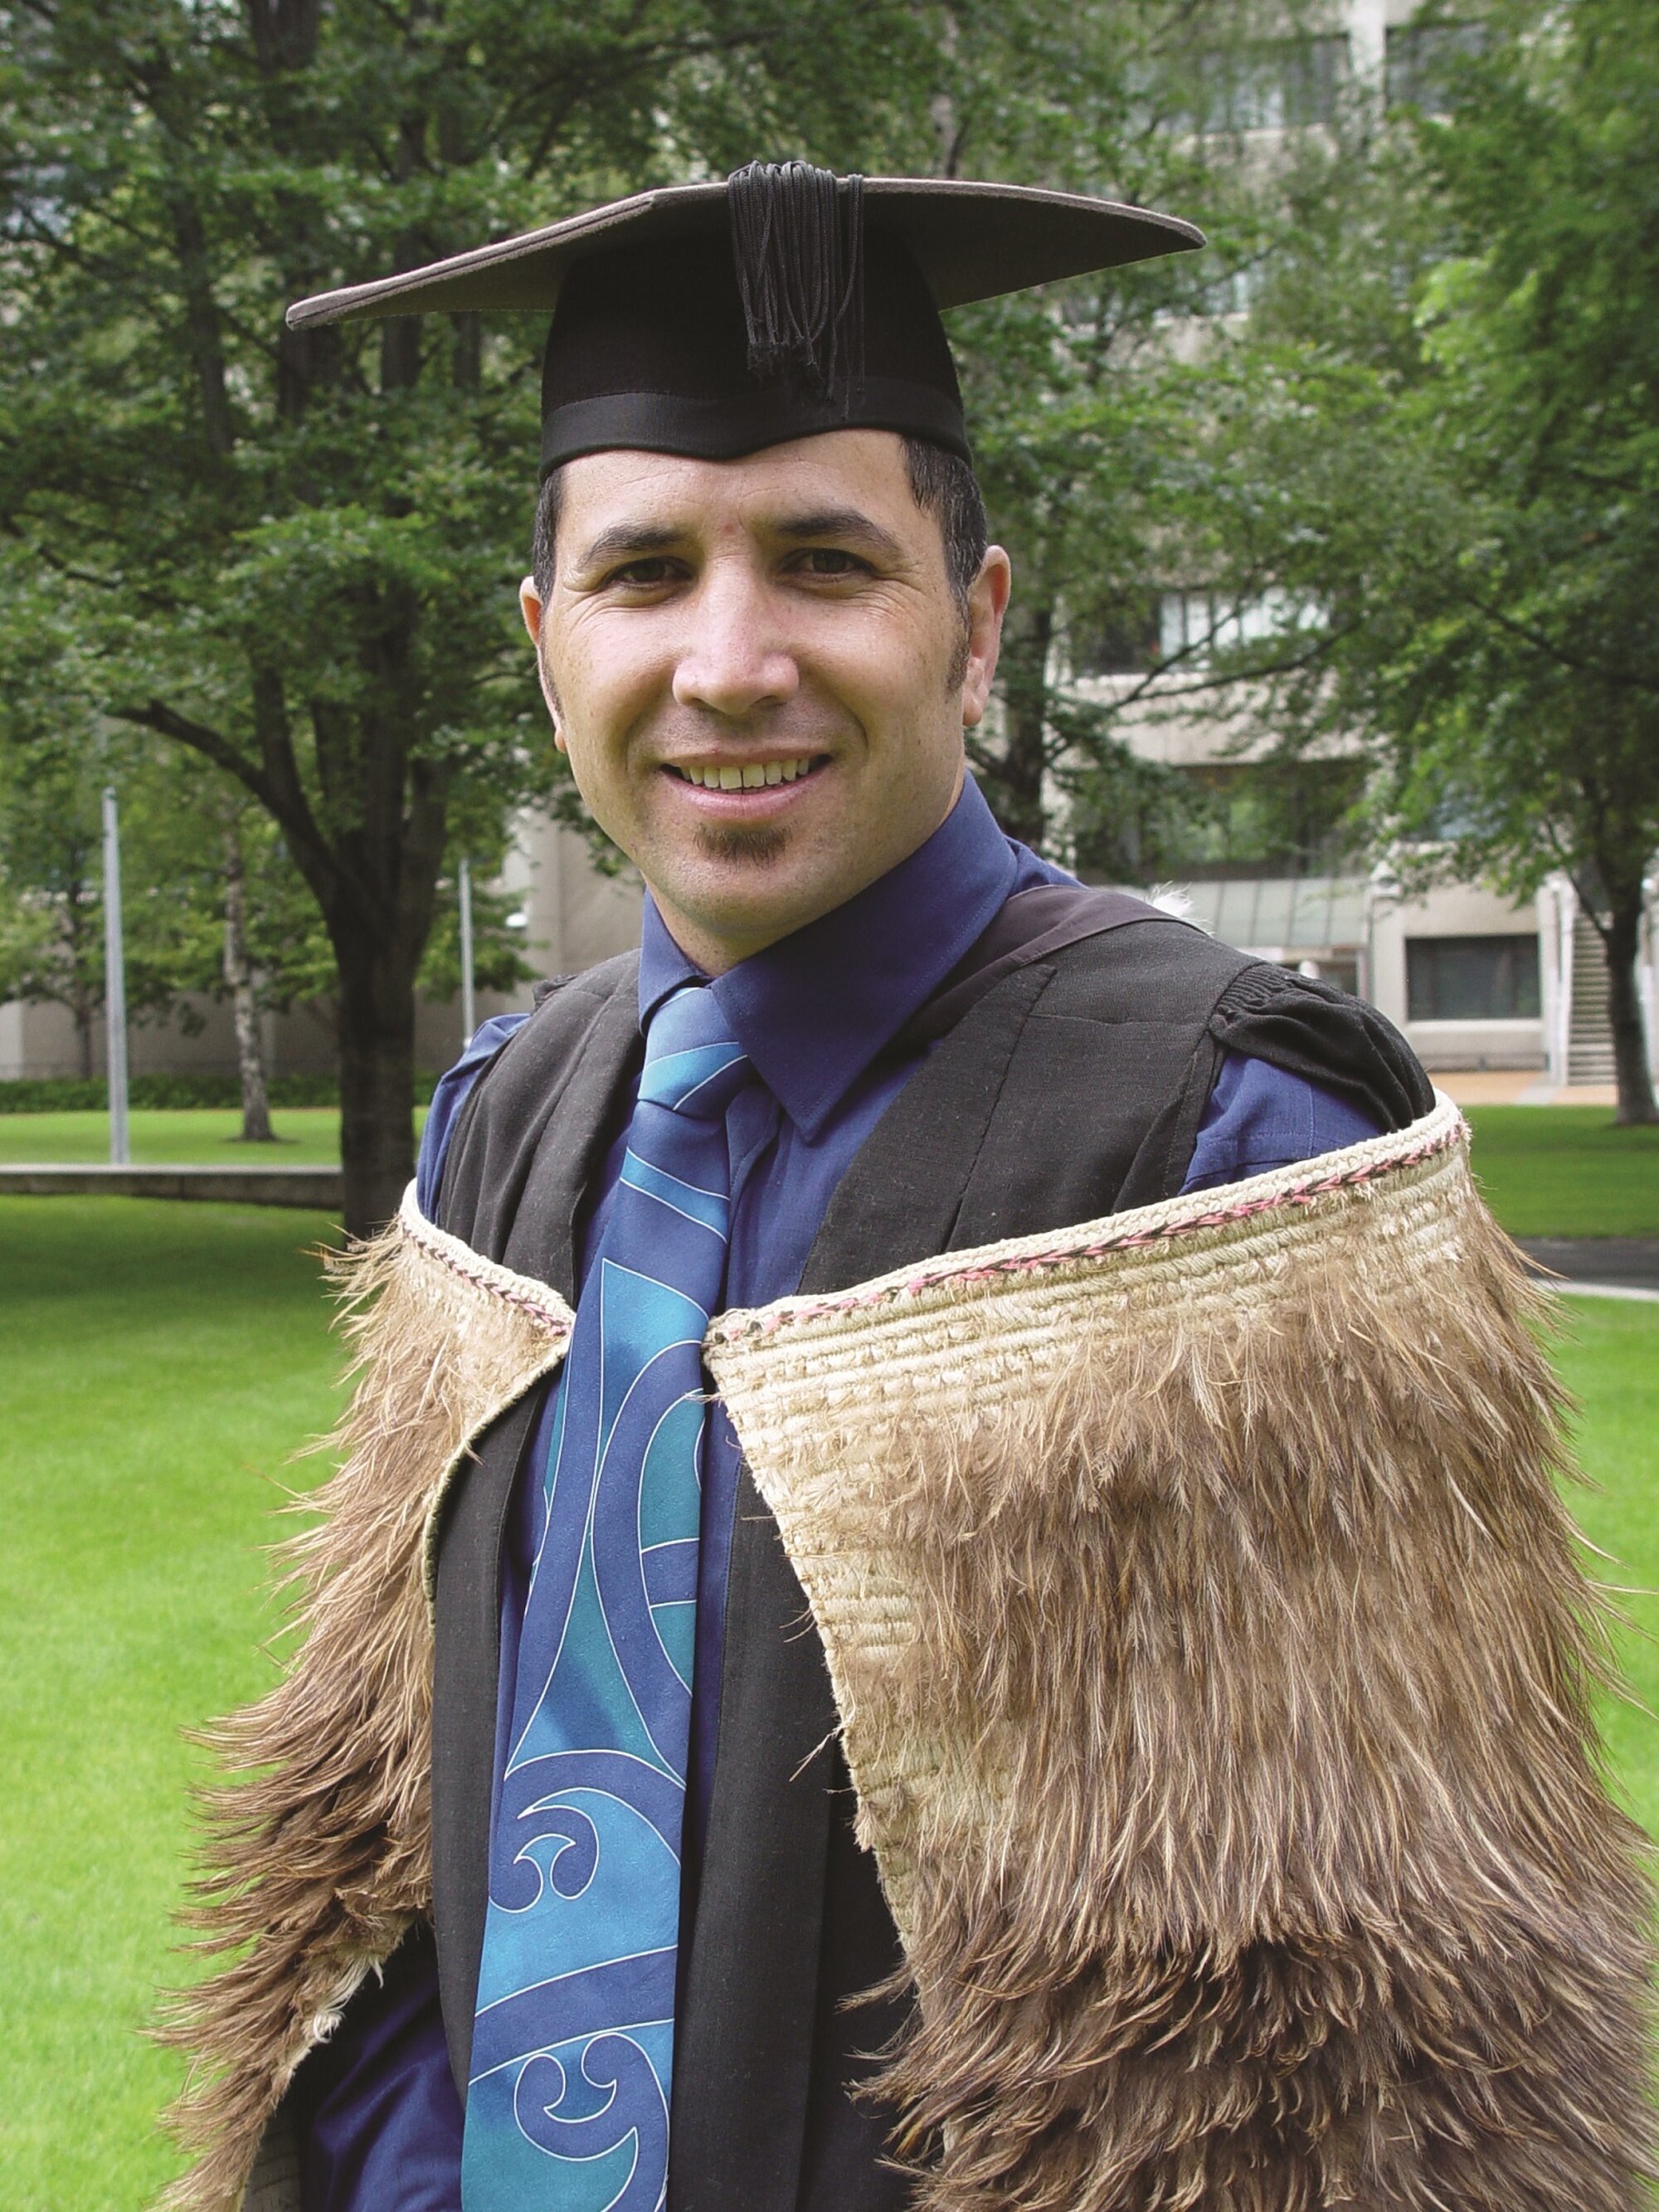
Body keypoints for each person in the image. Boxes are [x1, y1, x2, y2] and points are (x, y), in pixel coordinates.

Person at [159, 165, 1652, 2212]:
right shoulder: (508, 1122)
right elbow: (420, 1844)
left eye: (823, 560)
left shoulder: (1223, 1145)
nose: (731, 658)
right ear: (543, 640)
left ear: (976, 622)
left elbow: (1367, 2045)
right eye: (647, 570)